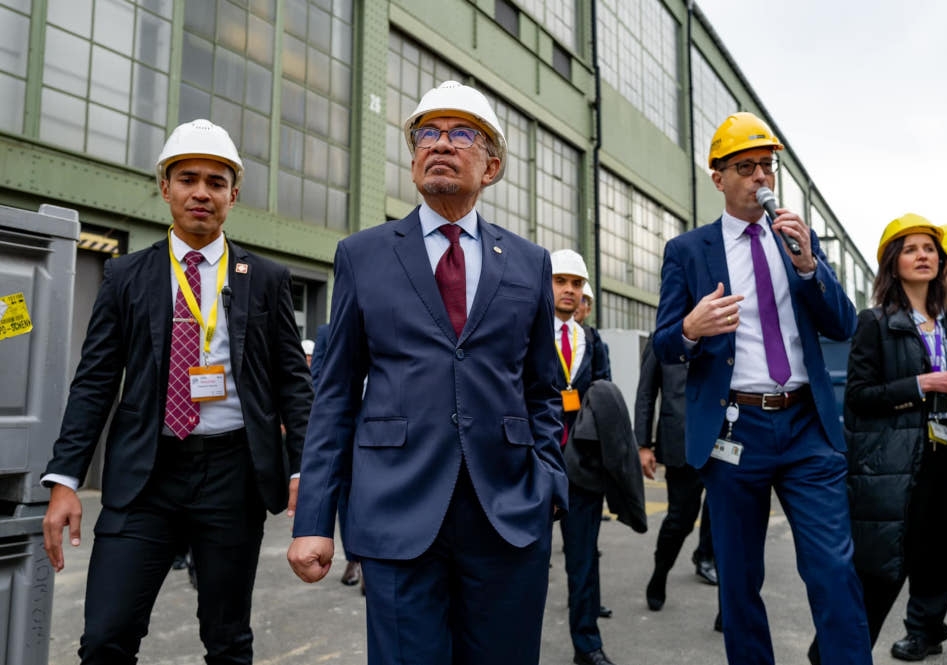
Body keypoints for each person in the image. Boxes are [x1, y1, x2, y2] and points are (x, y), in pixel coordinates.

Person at [287, 81, 568, 665]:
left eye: (461, 133)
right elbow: (334, 394)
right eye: (426, 133)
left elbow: (544, 388)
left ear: (492, 165)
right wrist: (313, 519)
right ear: (413, 158)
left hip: (508, 513)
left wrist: (548, 483)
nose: (440, 143)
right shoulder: (362, 255)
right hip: (397, 512)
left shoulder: (529, 262)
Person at [40, 118, 313, 664]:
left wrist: (303, 471)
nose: (201, 193)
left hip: (233, 477)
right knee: (104, 639)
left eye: (216, 182)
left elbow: (293, 385)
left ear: (233, 196)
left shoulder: (266, 279)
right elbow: (95, 380)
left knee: (228, 640)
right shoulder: (125, 277)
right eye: (187, 178)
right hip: (146, 477)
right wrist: (65, 478)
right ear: (165, 187)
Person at [653, 111, 871, 665]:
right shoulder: (688, 251)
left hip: (806, 426)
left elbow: (844, 325)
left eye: (766, 167)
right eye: (745, 168)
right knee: (739, 579)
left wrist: (806, 267)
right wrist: (689, 329)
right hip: (735, 430)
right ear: (718, 178)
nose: (760, 179)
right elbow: (664, 345)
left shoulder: (796, 239)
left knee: (834, 567)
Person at [850, 217, 947, 665]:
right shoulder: (875, 323)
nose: (924, 255)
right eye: (911, 249)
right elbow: (859, 398)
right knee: (878, 586)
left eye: (930, 249)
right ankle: (836, 655)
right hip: (903, 468)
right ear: (893, 265)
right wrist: (925, 383)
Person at [550, 249, 616, 665]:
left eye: (576, 283)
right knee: (523, 564)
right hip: (532, 466)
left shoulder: (592, 341)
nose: (570, 290)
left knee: (583, 561)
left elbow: (605, 395)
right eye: (561, 281)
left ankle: (587, 646)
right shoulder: (523, 332)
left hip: (582, 469)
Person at [634, 338, 717, 616]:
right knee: (681, 519)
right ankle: (660, 572)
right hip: (680, 440)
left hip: (723, 439)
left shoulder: (723, 333)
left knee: (726, 516)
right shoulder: (662, 339)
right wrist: (643, 444)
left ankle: (727, 603)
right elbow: (646, 393)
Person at [308, 322, 363, 589]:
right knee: (345, 495)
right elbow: (317, 377)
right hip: (347, 427)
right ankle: (354, 559)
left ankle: (373, 561)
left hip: (388, 427)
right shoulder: (327, 332)